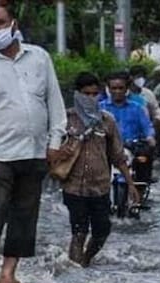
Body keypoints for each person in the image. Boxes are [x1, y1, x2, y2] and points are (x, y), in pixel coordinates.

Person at [0, 1, 67, 283]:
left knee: (25, 217)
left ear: (13, 23)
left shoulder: (39, 58)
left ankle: (8, 277)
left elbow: (54, 103)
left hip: (35, 152)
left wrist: (55, 142)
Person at [61, 73, 137, 267]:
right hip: (73, 187)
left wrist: (131, 185)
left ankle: (86, 260)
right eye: (86, 94)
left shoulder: (107, 121)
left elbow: (118, 156)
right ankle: (76, 272)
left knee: (102, 231)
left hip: (100, 187)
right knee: (79, 231)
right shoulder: (65, 120)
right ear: (77, 94)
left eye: (95, 94)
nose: (91, 98)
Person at [100, 72, 156, 149]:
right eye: (114, 88)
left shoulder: (137, 108)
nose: (117, 91)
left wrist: (150, 137)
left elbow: (147, 127)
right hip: (107, 150)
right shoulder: (100, 108)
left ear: (126, 89)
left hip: (132, 150)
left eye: (121, 88)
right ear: (109, 89)